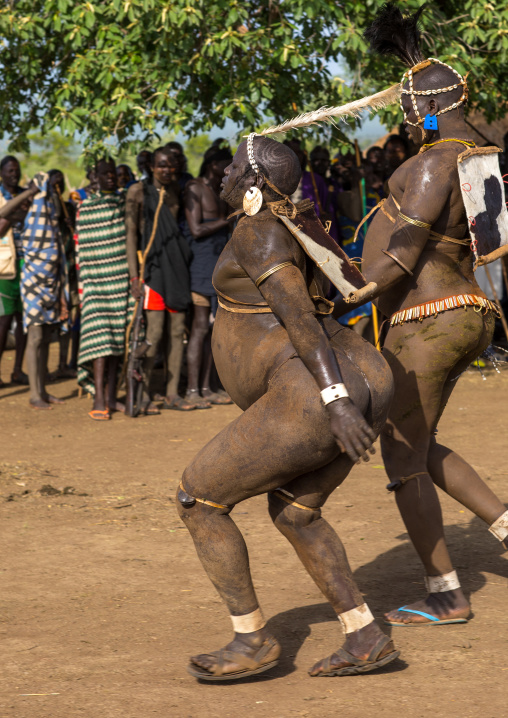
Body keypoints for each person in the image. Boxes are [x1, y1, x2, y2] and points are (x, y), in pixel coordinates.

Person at [178, 136, 398, 681]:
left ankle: (251, 639)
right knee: (295, 512)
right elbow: (352, 288)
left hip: (315, 392)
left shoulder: (258, 231)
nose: (221, 175)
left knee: (198, 498)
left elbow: (300, 319)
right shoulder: (299, 217)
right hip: (371, 373)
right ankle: (364, 634)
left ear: (252, 182)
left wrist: (335, 400)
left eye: (232, 168)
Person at [337, 3, 508, 626]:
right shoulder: (481, 156)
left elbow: (401, 257)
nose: (406, 132)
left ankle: (446, 594)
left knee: (401, 456)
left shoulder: (439, 159)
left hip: (429, 320)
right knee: (418, 437)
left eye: (408, 121)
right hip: (464, 313)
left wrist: (346, 294)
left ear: (425, 113)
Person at [126, 148, 194, 413]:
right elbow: (131, 236)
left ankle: (172, 393)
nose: (166, 170)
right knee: (153, 334)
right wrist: (134, 276)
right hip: (152, 271)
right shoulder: (137, 192)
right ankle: (143, 395)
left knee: (177, 332)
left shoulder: (177, 190)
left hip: (176, 267)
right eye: (161, 166)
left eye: (170, 166)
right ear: (151, 167)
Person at [75, 158, 132, 420]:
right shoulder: (86, 209)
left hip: (121, 281)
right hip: (96, 284)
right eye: (105, 174)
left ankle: (110, 396)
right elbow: (84, 251)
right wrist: (85, 285)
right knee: (100, 340)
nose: (111, 177)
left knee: (118, 341)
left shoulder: (125, 205)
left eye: (114, 173)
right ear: (95, 177)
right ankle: (98, 396)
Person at [183, 146, 233, 408]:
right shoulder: (195, 188)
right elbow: (197, 229)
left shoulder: (220, 188)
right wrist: (227, 220)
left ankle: (208, 387)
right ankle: (193, 389)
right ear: (212, 164)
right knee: (200, 329)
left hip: (219, 268)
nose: (228, 168)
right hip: (201, 268)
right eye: (225, 163)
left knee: (215, 330)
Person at [20, 172, 69, 409]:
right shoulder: (26, 203)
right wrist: (30, 192)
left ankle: (43, 390)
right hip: (32, 280)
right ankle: (33, 394)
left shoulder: (52, 209)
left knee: (47, 336)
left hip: (51, 280)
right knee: (36, 335)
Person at [47, 169, 79, 380]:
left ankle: (65, 363)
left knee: (71, 319)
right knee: (51, 321)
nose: (58, 187)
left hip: (71, 272)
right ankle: (47, 366)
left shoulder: (69, 209)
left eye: (60, 183)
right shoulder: (43, 209)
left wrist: (73, 225)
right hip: (51, 273)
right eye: (54, 184)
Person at [0, 156, 29, 387]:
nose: (14, 174)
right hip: (5, 267)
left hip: (27, 263)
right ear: (1, 173)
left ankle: (18, 371)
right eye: (10, 171)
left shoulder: (24, 193)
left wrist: (11, 213)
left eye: (17, 170)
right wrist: (16, 213)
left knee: (24, 321)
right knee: (4, 321)